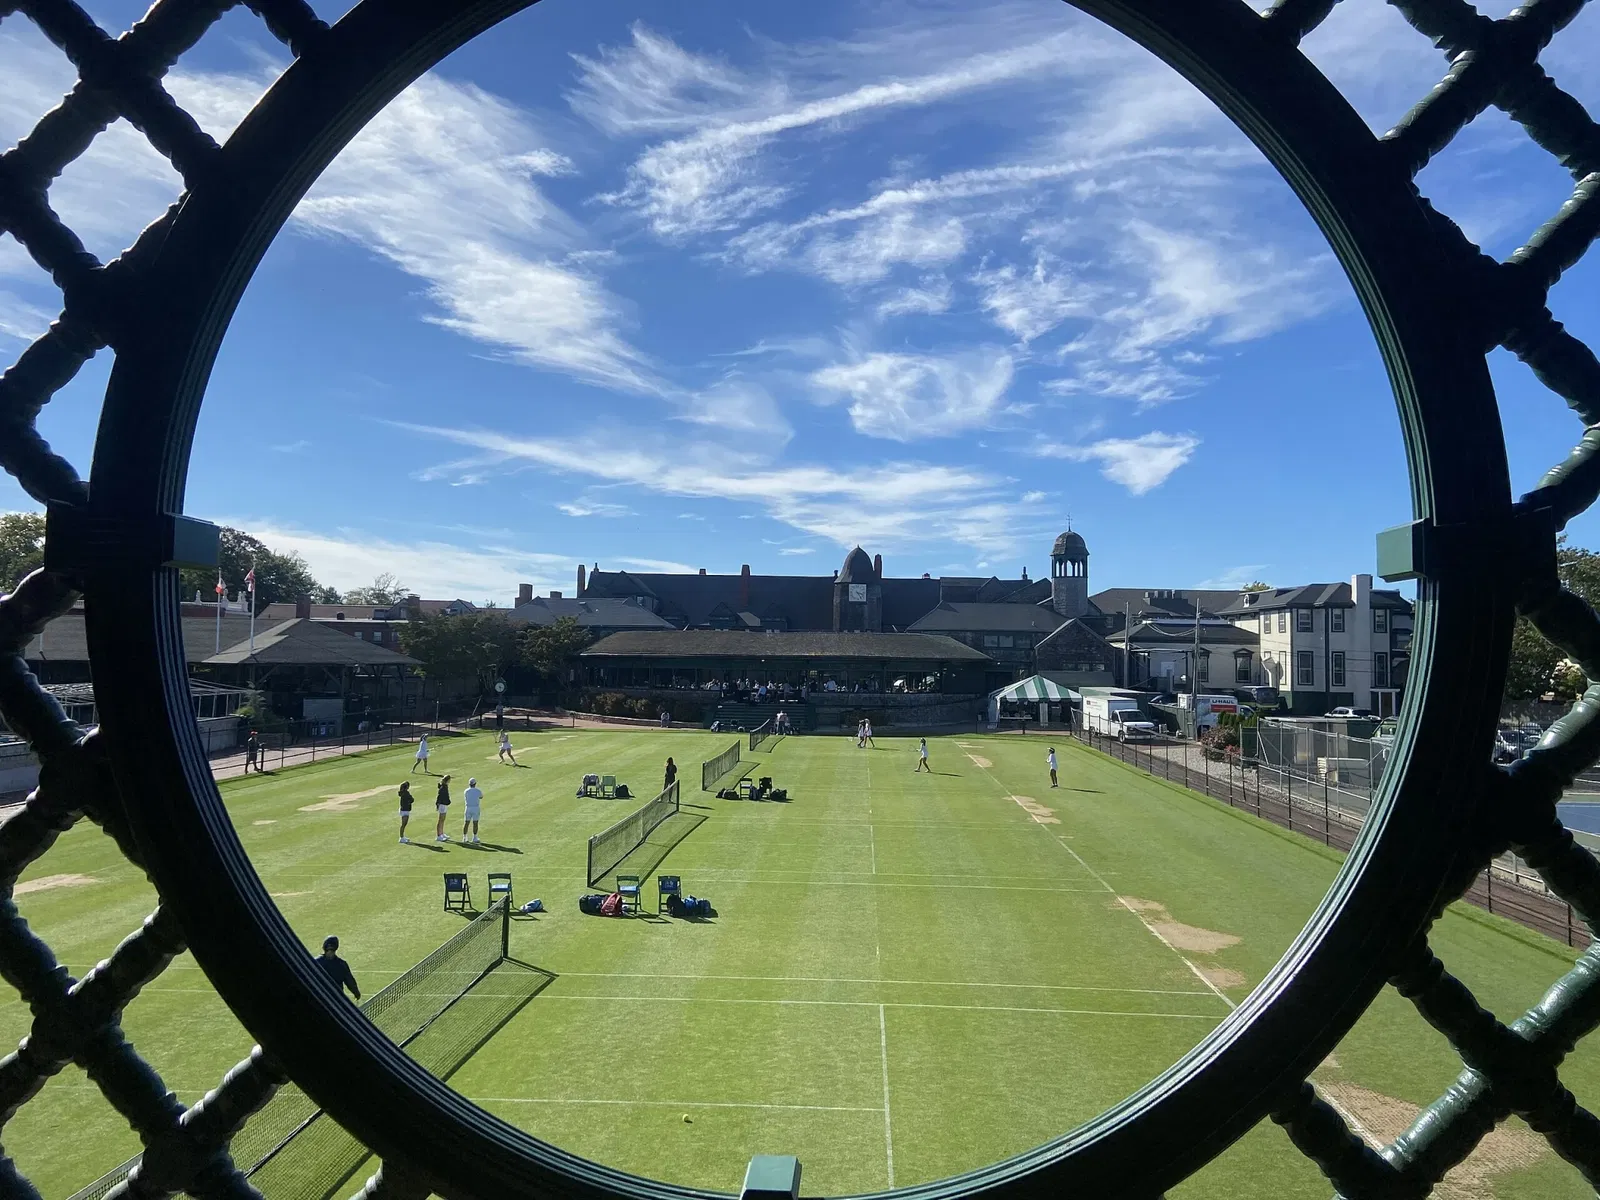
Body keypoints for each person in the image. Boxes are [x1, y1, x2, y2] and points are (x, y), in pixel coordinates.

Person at [315, 936, 360, 1001]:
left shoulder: (316, 962)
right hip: (337, 1000)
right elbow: (350, 981)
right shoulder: (342, 964)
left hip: (319, 998)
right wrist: (356, 993)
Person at [461, 777, 483, 843]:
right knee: (475, 823)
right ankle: (474, 838)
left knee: (466, 823)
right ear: (475, 784)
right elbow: (481, 797)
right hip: (475, 808)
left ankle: (464, 838)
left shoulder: (466, 791)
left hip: (468, 808)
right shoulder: (478, 791)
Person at [434, 774, 452, 842]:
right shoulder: (443, 787)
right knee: (440, 820)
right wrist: (437, 805)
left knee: (443, 819)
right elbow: (439, 797)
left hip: (444, 804)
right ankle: (439, 835)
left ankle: (442, 833)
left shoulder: (445, 786)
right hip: (442, 805)